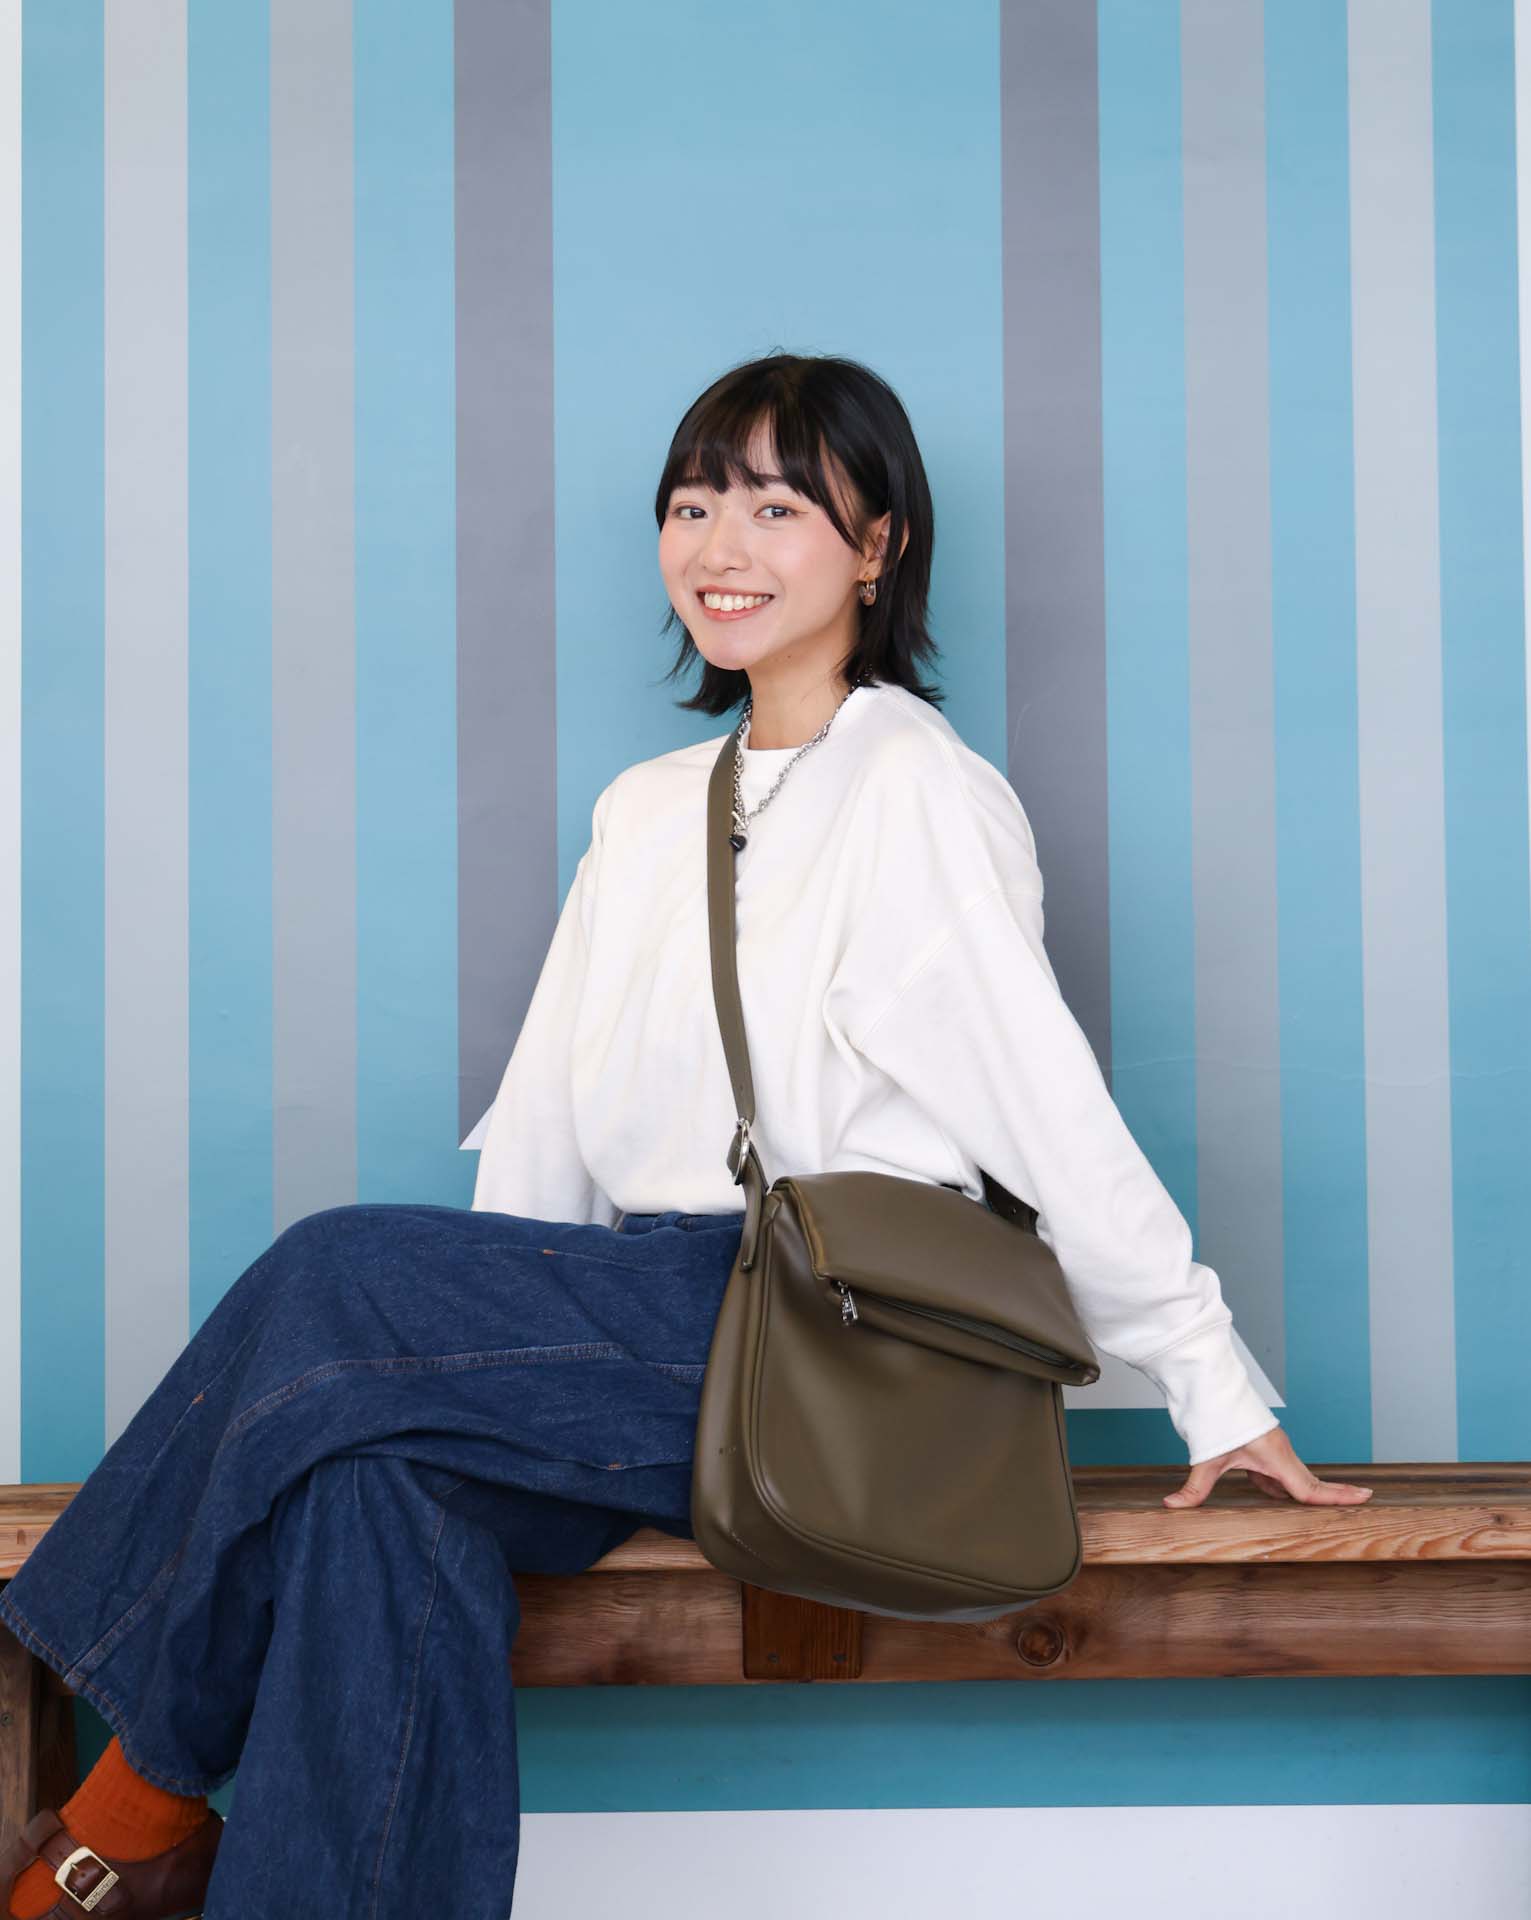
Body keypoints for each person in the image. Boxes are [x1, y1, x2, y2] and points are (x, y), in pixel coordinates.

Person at [0, 350, 1371, 1920]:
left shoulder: (915, 788)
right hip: (636, 1329)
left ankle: (128, 1816)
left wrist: (1210, 1382)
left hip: (837, 1339)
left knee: (332, 1274)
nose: (722, 545)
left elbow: (1043, 1099)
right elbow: (551, 1119)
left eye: (778, 508)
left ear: (876, 546)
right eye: (694, 504)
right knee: (369, 1488)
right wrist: (457, 1360)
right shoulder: (647, 808)